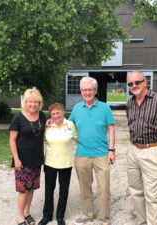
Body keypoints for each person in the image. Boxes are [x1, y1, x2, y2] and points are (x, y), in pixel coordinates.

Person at [126, 71, 157, 225]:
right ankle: (142, 222)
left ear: (145, 82)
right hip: (133, 151)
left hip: (152, 150)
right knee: (136, 192)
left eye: (137, 82)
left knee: (153, 196)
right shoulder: (130, 104)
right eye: (130, 84)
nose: (134, 86)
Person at [70, 77, 116, 225]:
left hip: (102, 154)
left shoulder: (104, 108)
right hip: (82, 154)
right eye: (84, 90)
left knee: (104, 189)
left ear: (95, 91)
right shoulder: (77, 108)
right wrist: (52, 121)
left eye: (90, 89)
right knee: (85, 188)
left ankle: (104, 219)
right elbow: (68, 125)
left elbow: (111, 128)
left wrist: (111, 150)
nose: (87, 92)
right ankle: (88, 214)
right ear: (81, 91)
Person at [9, 88, 46, 225]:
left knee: (31, 188)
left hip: (36, 158)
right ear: (25, 102)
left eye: (36, 102)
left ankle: (27, 212)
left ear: (39, 103)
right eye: (30, 102)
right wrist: (16, 159)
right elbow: (12, 140)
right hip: (22, 159)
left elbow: (45, 128)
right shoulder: (18, 118)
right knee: (23, 190)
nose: (33, 104)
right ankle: (21, 217)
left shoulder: (41, 115)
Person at [38, 103, 77, 225]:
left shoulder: (70, 125)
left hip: (66, 163)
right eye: (53, 113)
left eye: (58, 112)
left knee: (63, 190)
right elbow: (38, 138)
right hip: (50, 163)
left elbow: (77, 138)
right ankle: (47, 216)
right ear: (51, 115)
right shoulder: (48, 126)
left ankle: (60, 216)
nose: (56, 115)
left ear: (63, 112)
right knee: (49, 190)